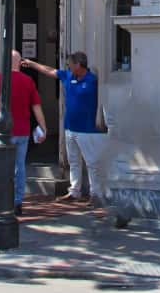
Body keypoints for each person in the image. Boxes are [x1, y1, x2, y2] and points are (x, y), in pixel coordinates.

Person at [23, 51, 106, 204]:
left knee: (91, 162)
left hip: (88, 129)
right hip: (70, 127)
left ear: (78, 65)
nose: (68, 67)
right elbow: (49, 71)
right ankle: (75, 191)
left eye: (70, 64)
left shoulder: (93, 80)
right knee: (73, 161)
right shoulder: (68, 76)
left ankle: (96, 194)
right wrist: (32, 64)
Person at [0, 51, 47, 211]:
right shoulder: (28, 81)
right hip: (23, 131)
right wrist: (43, 128)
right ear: (19, 62)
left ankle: (3, 199)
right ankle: (17, 200)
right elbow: (36, 107)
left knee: (2, 167)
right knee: (19, 166)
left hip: (4, 132)